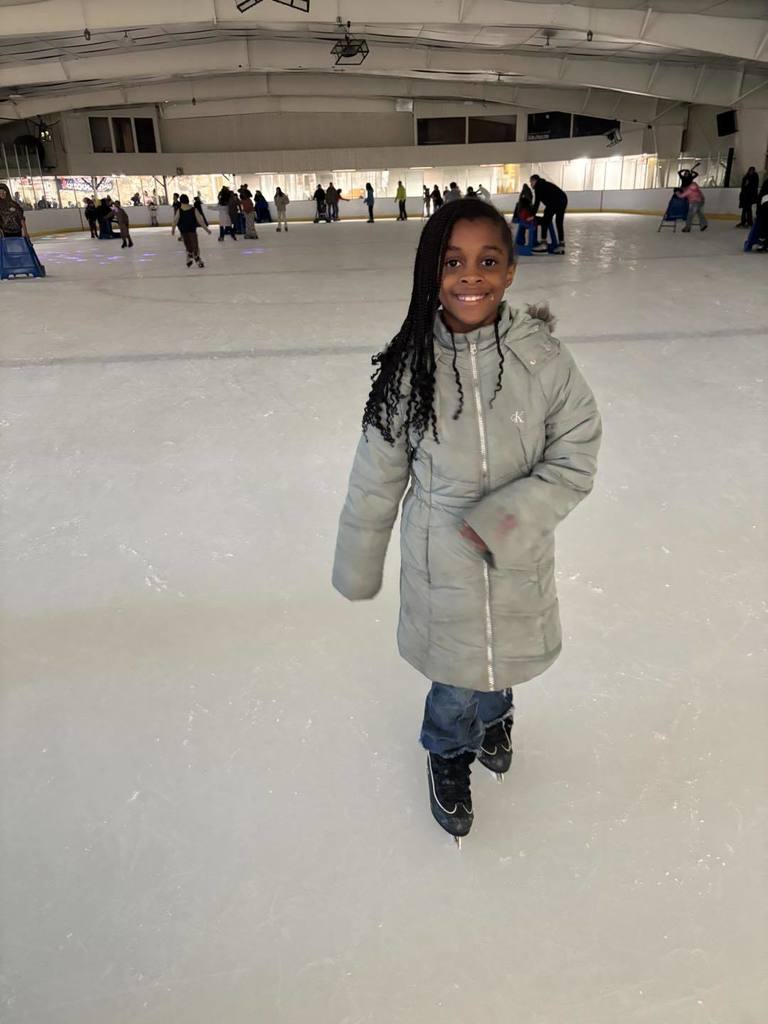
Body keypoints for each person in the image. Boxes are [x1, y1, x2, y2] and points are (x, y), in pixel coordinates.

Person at [332, 198, 601, 847]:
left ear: (509, 270)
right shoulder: (409, 371)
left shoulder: (543, 360)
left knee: (500, 659)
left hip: (514, 558)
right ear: (433, 272)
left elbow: (576, 449)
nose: (469, 276)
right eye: (453, 262)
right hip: (442, 565)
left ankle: (498, 712)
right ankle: (448, 754)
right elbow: (377, 475)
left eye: (486, 260)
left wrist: (511, 517)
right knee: (455, 681)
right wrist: (357, 560)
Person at [171, 193, 212, 268]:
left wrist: (173, 229)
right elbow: (200, 221)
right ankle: (196, 258)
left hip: (184, 231)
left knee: (189, 246)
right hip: (191, 230)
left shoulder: (180, 210)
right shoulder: (193, 209)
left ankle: (190, 258)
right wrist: (206, 229)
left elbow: (175, 221)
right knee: (194, 246)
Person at [530, 174, 568, 253]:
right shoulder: (544, 184)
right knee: (558, 222)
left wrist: (532, 216)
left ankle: (544, 244)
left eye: (531, 182)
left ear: (534, 180)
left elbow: (537, 203)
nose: (531, 185)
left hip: (555, 201)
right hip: (563, 198)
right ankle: (561, 244)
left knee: (545, 219)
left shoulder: (538, 187)